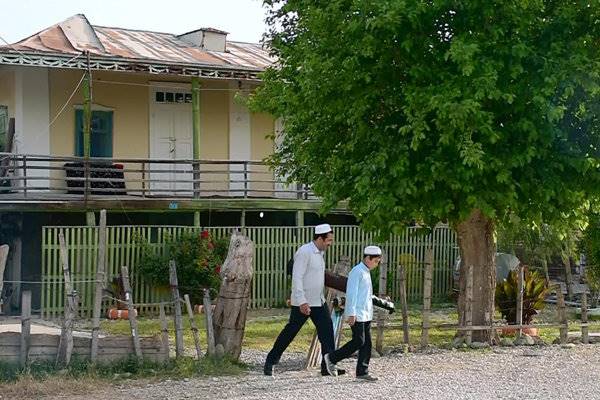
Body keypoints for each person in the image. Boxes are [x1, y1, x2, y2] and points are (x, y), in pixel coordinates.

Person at [264, 223, 342, 376]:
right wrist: (301, 301)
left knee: (327, 332)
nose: (330, 243)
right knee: (290, 333)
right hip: (303, 302)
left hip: (318, 301)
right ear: (320, 238)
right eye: (329, 240)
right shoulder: (304, 252)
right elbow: (297, 277)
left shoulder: (320, 254)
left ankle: (328, 367)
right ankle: (270, 362)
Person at [324, 245, 382, 382]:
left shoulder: (366, 271)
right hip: (357, 313)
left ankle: (362, 371)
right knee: (358, 341)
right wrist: (351, 313)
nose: (376, 264)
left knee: (366, 343)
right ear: (368, 258)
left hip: (365, 314)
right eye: (376, 261)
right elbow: (351, 293)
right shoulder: (357, 271)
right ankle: (331, 358)